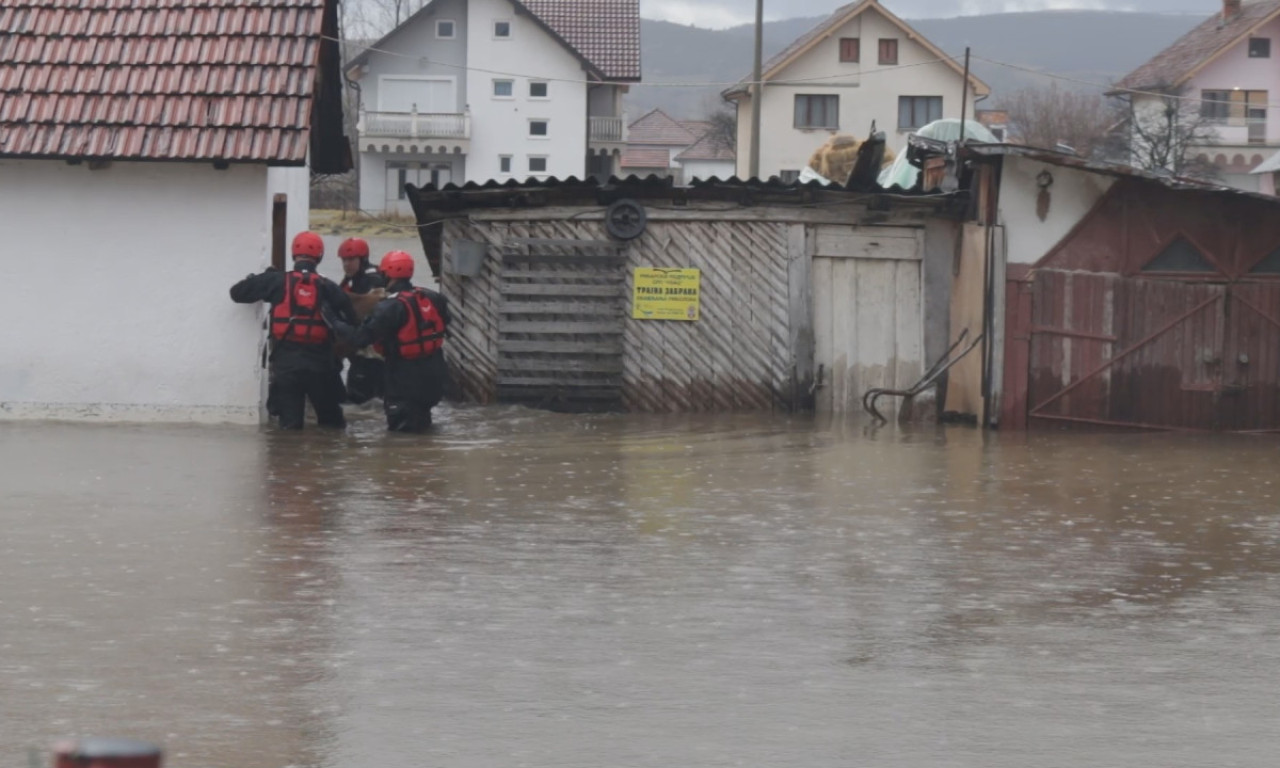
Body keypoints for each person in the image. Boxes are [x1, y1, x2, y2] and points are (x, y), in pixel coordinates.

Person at [230, 231, 357, 430]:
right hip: (320, 365)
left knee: (289, 428)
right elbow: (352, 321)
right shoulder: (328, 286)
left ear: (293, 255)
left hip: (286, 365)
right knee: (332, 426)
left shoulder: (276, 281)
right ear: (320, 257)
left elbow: (237, 293)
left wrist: (261, 277)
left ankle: (290, 459)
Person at [329, 250, 451, 432]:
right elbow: (445, 321)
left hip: (405, 379)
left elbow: (360, 338)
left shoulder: (390, 307)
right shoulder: (433, 297)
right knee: (423, 426)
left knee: (401, 437)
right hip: (434, 377)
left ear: (388, 274)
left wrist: (334, 322)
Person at [336, 237, 387, 404]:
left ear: (362, 259)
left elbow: (375, 303)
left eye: (351, 259)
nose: (346, 264)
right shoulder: (350, 279)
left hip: (373, 352)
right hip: (361, 349)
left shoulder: (373, 278)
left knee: (360, 397)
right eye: (344, 260)